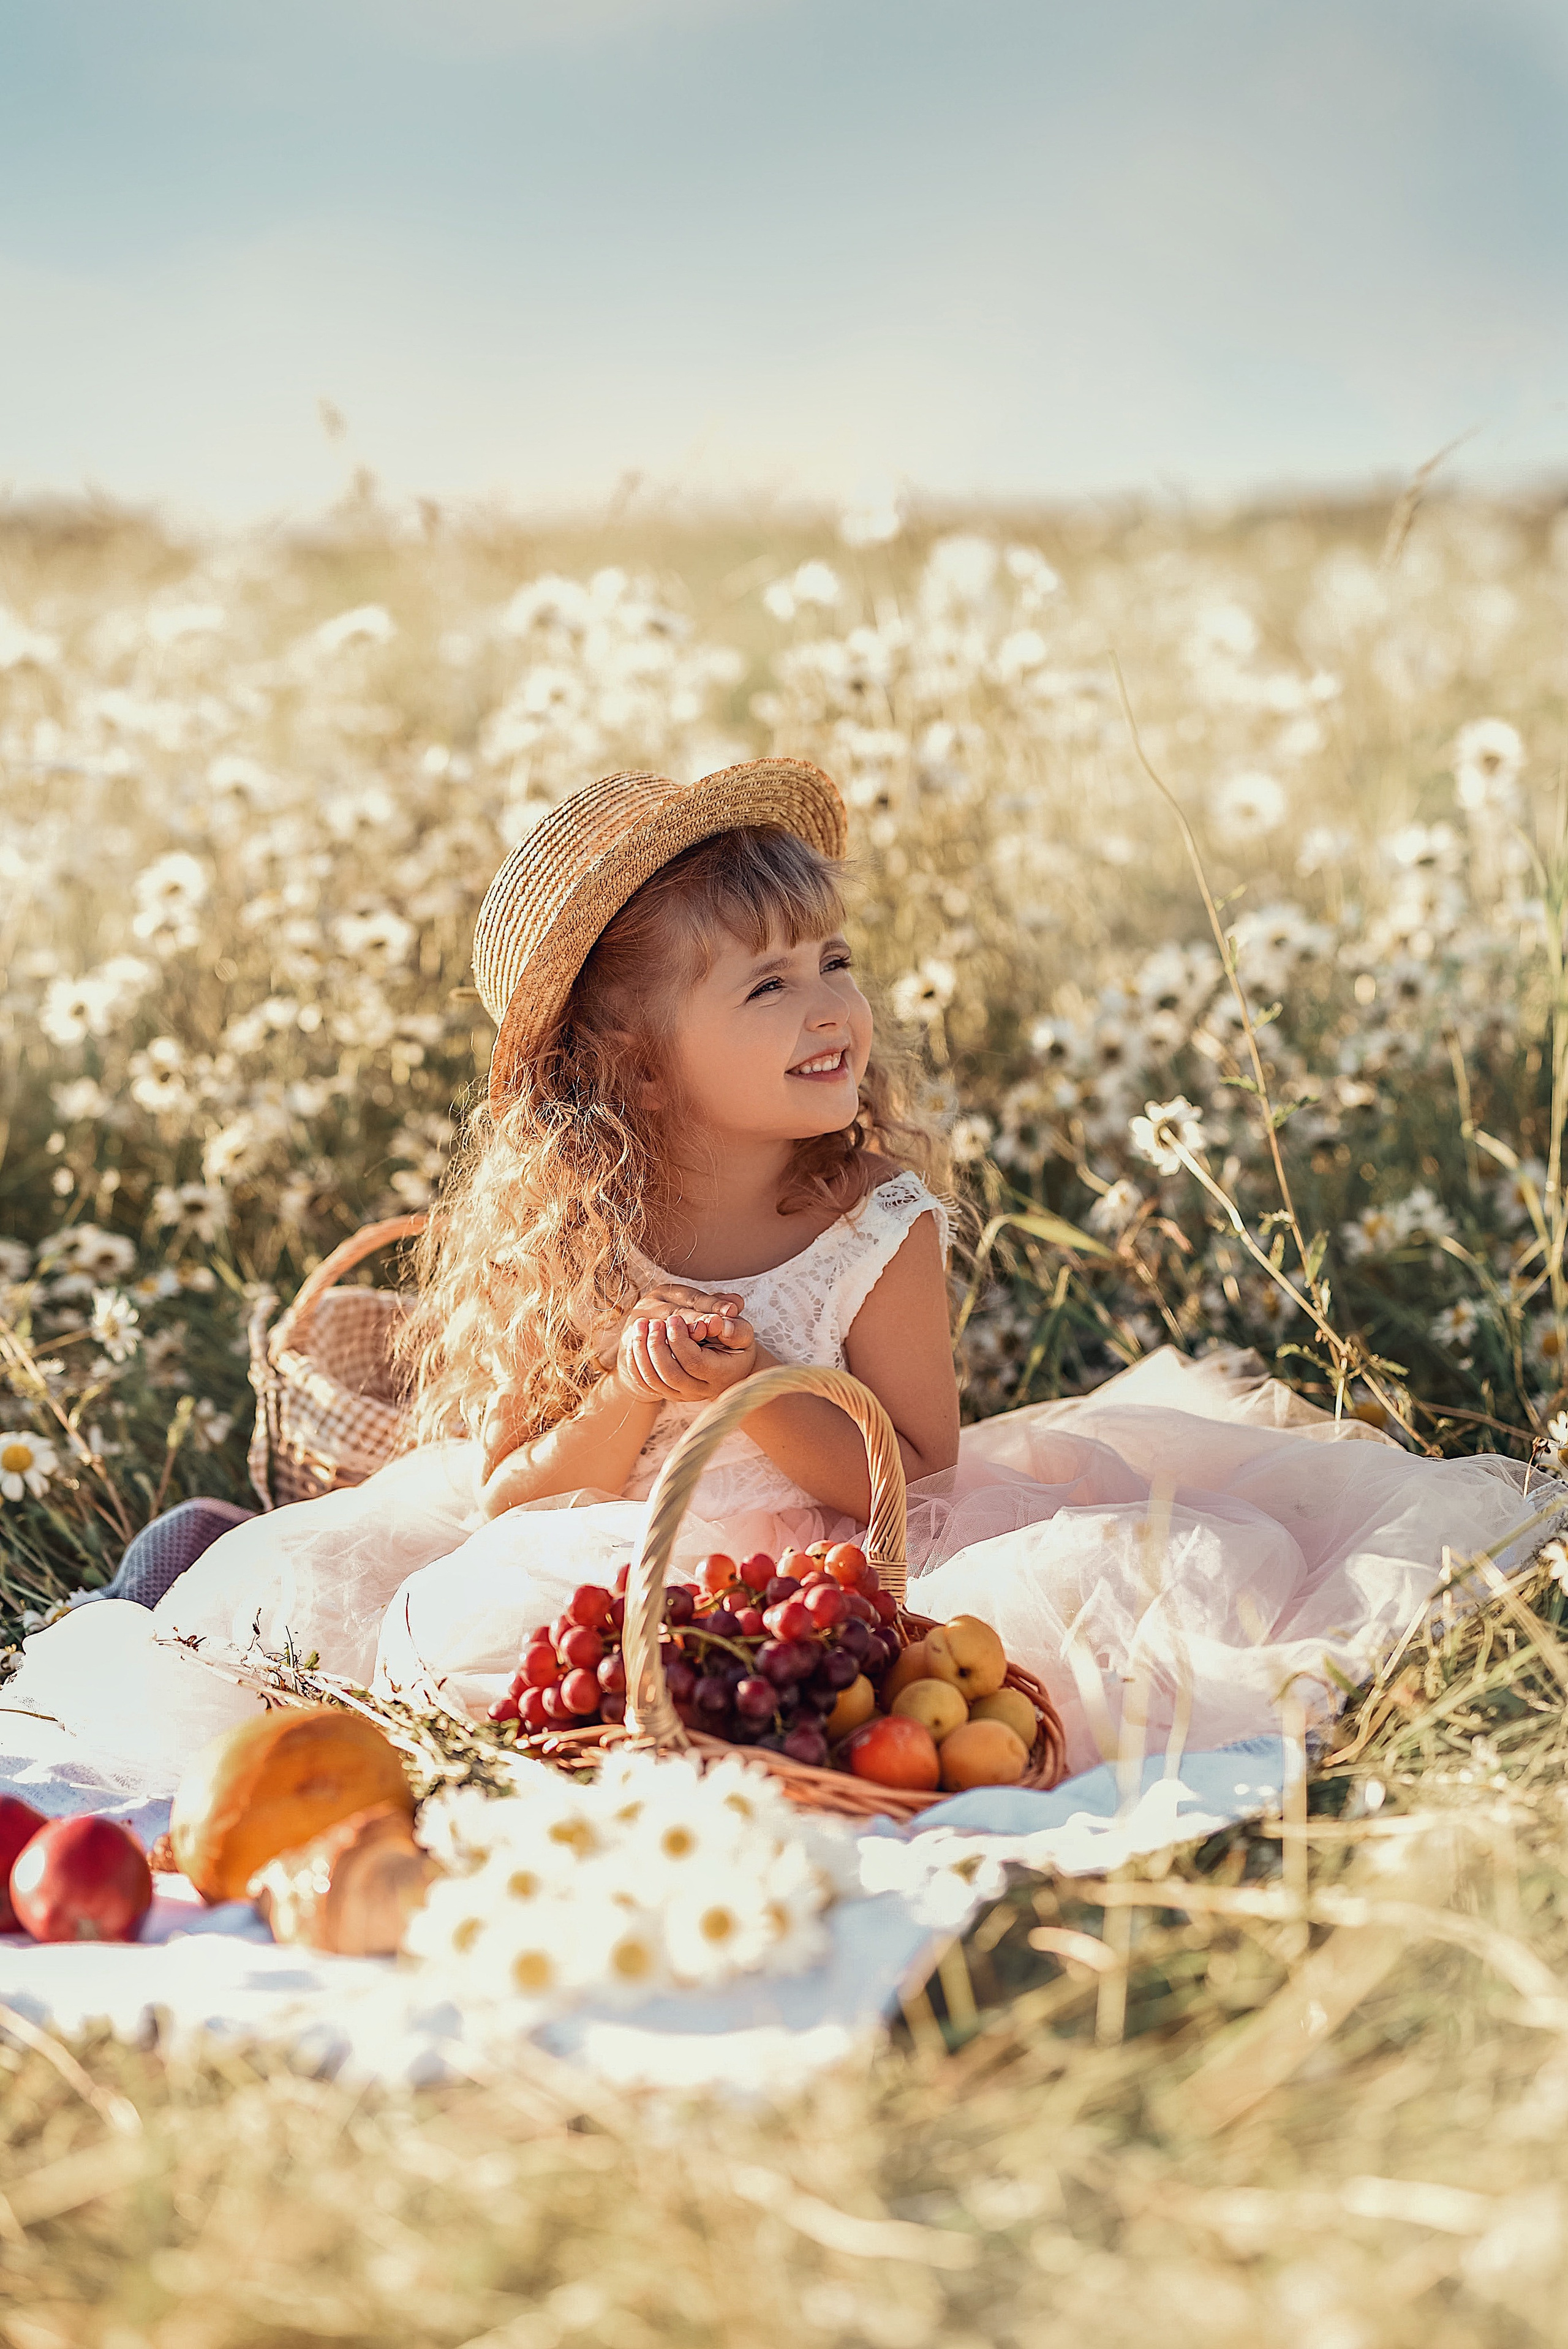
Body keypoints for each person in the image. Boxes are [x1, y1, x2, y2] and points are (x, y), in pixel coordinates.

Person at [11, 759, 1561, 1787]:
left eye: (834, 965)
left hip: (860, 1548)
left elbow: (916, 1459)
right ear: (632, 1058)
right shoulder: (583, 1233)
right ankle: (178, 1572)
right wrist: (629, 1399)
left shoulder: (869, 1215)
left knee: (1092, 1631)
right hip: (611, 1543)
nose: (831, 1008)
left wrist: (755, 1384)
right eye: (767, 983)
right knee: (401, 1619)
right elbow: (512, 1493)